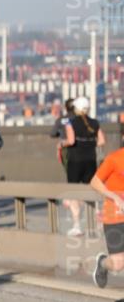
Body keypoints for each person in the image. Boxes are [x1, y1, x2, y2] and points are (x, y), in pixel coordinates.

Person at [63, 96, 105, 237]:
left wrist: (61, 144)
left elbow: (71, 141)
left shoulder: (71, 122)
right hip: (90, 160)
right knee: (91, 191)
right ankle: (96, 223)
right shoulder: (95, 123)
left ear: (76, 109)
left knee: (73, 193)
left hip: (75, 161)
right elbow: (102, 141)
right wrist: (90, 144)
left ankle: (77, 226)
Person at [90, 147, 124, 289]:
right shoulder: (114, 158)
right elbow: (94, 182)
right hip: (114, 215)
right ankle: (102, 263)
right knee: (118, 264)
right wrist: (115, 197)